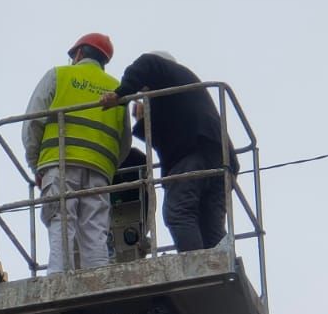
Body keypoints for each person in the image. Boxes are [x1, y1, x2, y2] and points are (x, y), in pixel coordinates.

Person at [99, 50, 234, 252]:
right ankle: (218, 268)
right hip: (223, 160)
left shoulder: (161, 69)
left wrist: (121, 94)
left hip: (192, 155)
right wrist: (144, 121)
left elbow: (147, 62)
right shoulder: (182, 94)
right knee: (210, 225)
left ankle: (195, 270)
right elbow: (169, 138)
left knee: (178, 212)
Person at [22, 32, 129, 272]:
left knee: (61, 220)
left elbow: (32, 123)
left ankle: (58, 278)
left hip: (59, 164)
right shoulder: (118, 90)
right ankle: (99, 279)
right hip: (100, 171)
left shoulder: (59, 75)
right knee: (95, 228)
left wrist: (35, 165)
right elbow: (124, 142)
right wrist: (106, 164)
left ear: (78, 53)